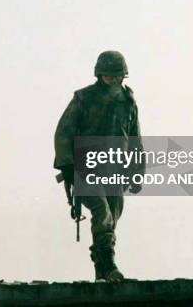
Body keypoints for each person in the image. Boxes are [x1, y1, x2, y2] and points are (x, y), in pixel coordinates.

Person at [54, 50, 144, 282]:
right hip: (87, 168)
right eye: (109, 76)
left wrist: (137, 172)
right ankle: (109, 265)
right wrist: (67, 166)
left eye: (117, 76)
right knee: (102, 212)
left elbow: (135, 139)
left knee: (112, 218)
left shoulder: (128, 102)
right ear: (99, 75)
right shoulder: (84, 98)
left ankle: (102, 272)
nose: (113, 80)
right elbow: (64, 131)